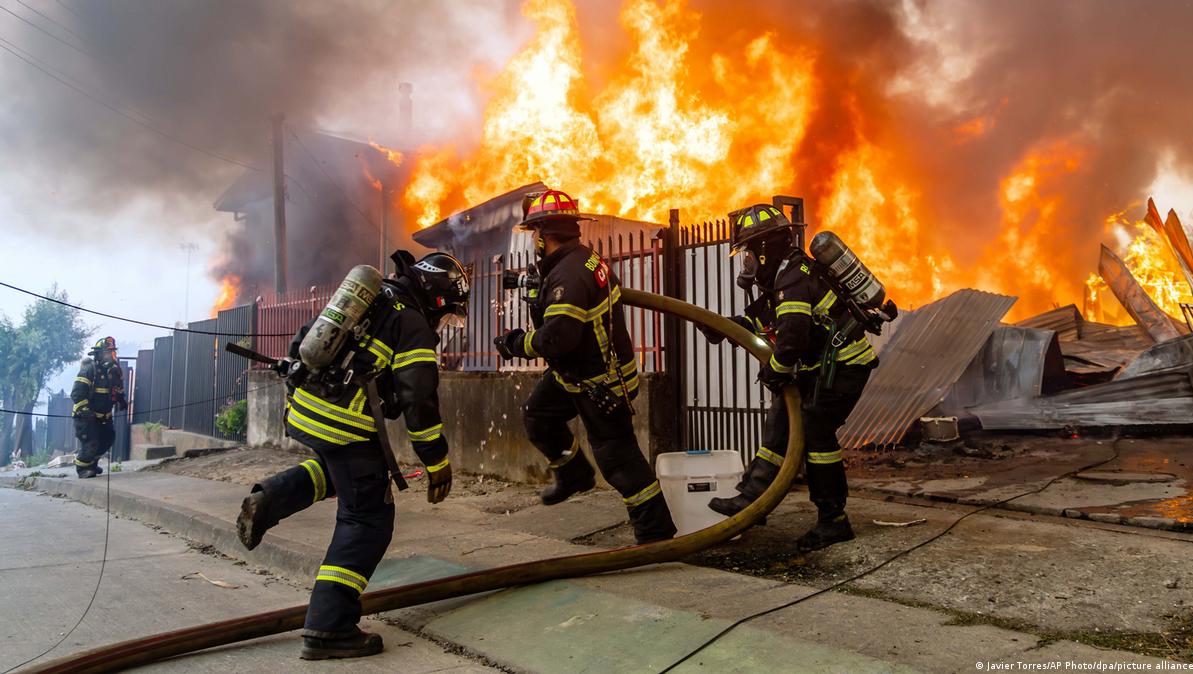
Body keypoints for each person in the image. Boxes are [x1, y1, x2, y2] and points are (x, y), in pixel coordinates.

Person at [235, 250, 469, 660]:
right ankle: (329, 626)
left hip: (304, 409)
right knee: (367, 518)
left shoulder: (369, 297)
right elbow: (418, 399)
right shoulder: (412, 324)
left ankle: (270, 499)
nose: (443, 322)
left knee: (341, 472)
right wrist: (436, 460)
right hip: (344, 423)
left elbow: (306, 338)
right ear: (436, 298)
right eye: (447, 313)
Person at [495, 188, 676, 544]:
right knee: (539, 416)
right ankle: (574, 474)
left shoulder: (570, 274)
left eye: (534, 233)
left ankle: (656, 536)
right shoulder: (581, 260)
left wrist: (516, 344)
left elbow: (557, 338)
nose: (533, 241)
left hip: (601, 382)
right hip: (574, 374)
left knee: (619, 461)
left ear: (544, 234)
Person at [703, 204, 878, 553]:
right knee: (780, 420)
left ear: (764, 249)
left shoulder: (793, 276)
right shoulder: (783, 276)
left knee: (815, 433)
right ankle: (753, 499)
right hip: (821, 368)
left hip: (844, 366)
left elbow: (793, 336)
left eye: (748, 253)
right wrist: (723, 327)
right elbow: (766, 321)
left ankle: (833, 520)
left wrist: (775, 370)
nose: (746, 262)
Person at [71, 337, 126, 478]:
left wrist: (121, 400)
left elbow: (117, 389)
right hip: (86, 417)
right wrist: (86, 411)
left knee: (108, 439)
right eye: (107, 353)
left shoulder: (114, 372)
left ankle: (92, 465)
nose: (110, 356)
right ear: (98, 354)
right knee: (92, 442)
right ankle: (82, 469)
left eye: (112, 352)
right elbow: (76, 394)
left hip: (104, 417)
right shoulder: (90, 370)